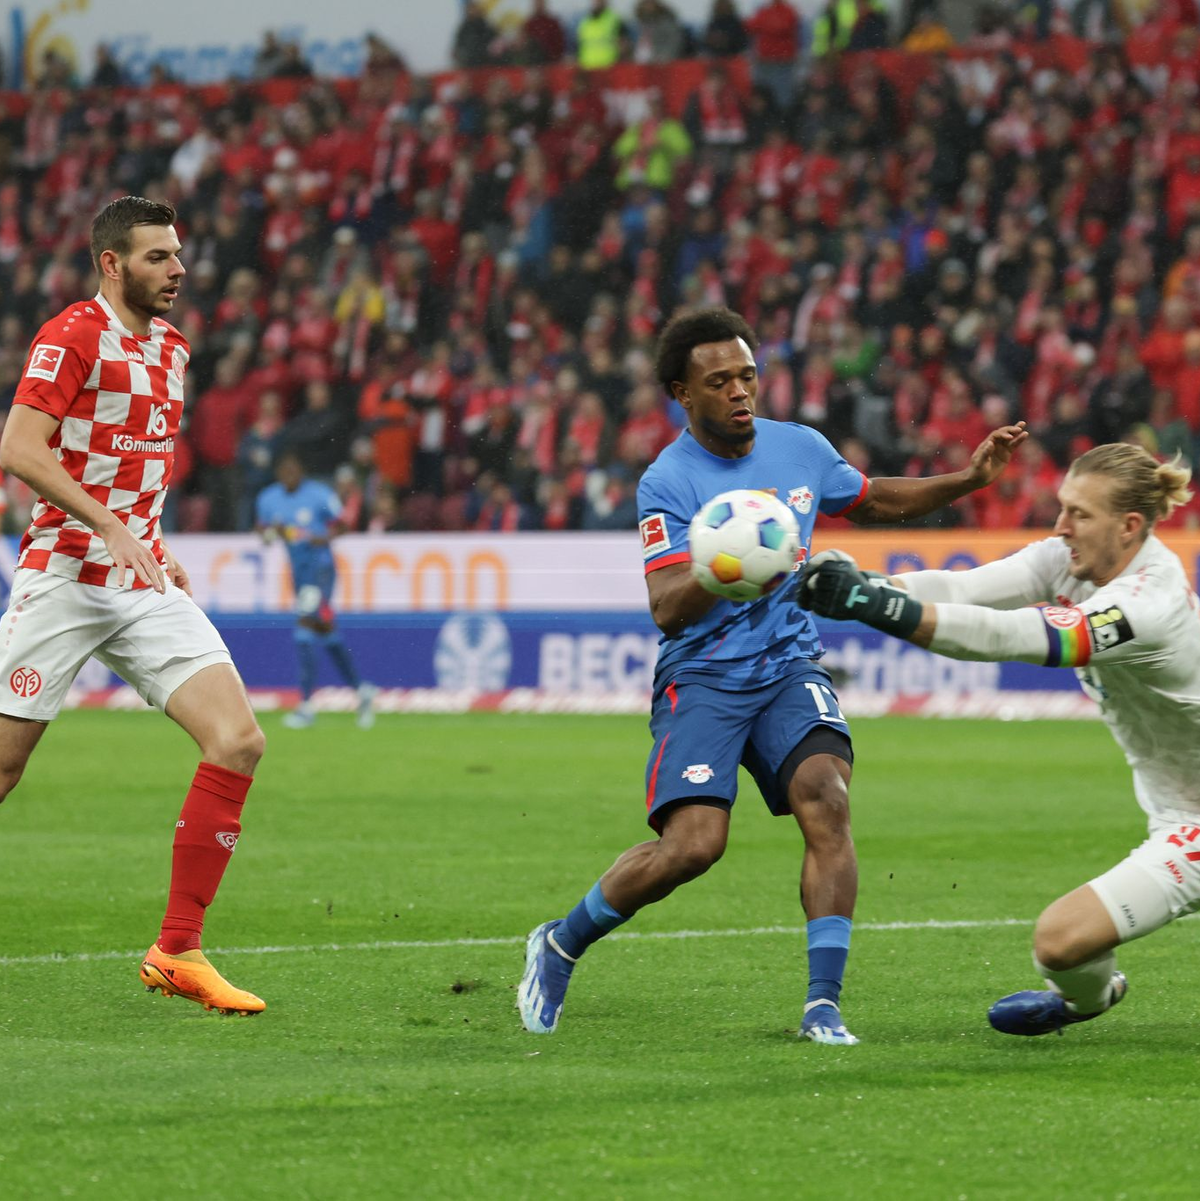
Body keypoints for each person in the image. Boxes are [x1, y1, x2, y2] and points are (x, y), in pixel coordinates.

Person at [518, 306, 1027, 1042]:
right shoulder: (668, 482)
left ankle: (823, 1006)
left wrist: (969, 479)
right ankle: (561, 940)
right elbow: (666, 607)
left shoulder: (800, 449)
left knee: (827, 797)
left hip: (789, 662)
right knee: (694, 846)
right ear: (682, 394)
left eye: (747, 375)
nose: (739, 391)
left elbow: (875, 496)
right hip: (704, 676)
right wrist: (728, 569)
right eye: (718, 381)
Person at [797, 442, 1198, 1037]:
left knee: (1056, 937)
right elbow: (962, 591)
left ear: (1130, 526)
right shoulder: (1070, 558)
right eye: (1063, 507)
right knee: (1059, 945)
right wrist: (865, 585)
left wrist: (871, 604)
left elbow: (1015, 637)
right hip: (1177, 814)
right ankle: (1087, 1001)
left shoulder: (1150, 603)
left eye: (1080, 515)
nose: (1061, 526)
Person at [0, 196, 266, 1015]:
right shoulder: (72, 334)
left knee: (238, 740)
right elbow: (18, 448)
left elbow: (132, 462)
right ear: (112, 263)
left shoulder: (175, 351)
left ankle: (177, 950)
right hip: (64, 578)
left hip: (140, 579)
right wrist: (111, 523)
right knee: (5, 768)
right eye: (157, 256)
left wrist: (148, 537)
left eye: (178, 254)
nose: (177, 268)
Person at [255, 451, 377, 730]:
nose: (289, 476)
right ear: (278, 474)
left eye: (293, 471)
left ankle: (307, 706)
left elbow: (343, 526)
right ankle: (362, 690)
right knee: (326, 631)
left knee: (303, 631)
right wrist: (272, 533)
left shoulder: (319, 495)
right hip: (298, 573)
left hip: (321, 570)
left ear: (301, 472)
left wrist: (324, 537)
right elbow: (262, 534)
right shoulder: (268, 499)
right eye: (284, 472)